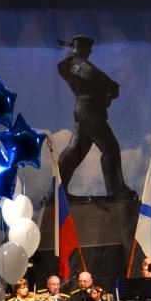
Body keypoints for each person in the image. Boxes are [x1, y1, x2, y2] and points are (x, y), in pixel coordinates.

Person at [56, 35, 135, 198]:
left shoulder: (72, 64)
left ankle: (57, 192)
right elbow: (92, 74)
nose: (90, 52)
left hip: (86, 110)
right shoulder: (76, 63)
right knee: (110, 147)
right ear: (81, 47)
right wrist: (111, 86)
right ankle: (116, 190)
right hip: (89, 111)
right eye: (88, 49)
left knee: (74, 153)